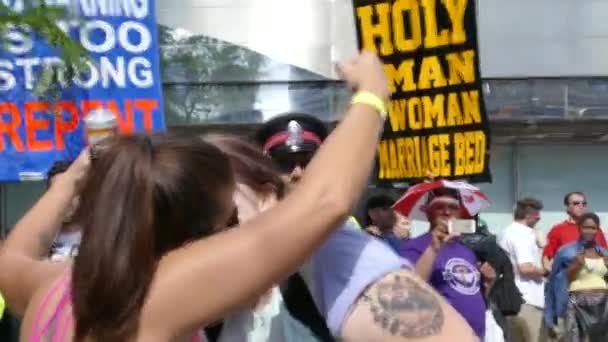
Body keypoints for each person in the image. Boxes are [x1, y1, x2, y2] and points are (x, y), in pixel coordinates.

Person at [0, 52, 392, 341]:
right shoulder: (155, 301)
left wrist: (73, 178)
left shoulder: (50, 291)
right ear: (195, 239)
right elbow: (326, 202)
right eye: (230, 222)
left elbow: (14, 254)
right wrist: (372, 94)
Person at [208, 135, 480, 342]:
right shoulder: (199, 293)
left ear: (265, 196)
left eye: (310, 163)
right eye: (285, 164)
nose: (297, 174)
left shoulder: (332, 251)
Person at [399, 187, 496, 340]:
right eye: (439, 207)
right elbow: (407, 290)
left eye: (453, 207)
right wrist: (433, 248)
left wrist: (488, 284)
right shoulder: (415, 246)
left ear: (460, 214)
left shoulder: (466, 252)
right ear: (427, 212)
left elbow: (469, 293)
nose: (447, 212)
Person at [546, 213, 608, 342]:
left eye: (593, 228)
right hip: (576, 304)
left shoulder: (604, 253)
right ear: (579, 228)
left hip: (602, 306)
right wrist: (550, 316)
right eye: (586, 227)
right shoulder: (565, 251)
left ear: (598, 230)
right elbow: (553, 282)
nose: (589, 231)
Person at [500, 198, 547, 342]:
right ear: (528, 215)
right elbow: (525, 268)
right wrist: (546, 271)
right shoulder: (522, 234)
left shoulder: (509, 231)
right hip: (526, 298)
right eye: (537, 214)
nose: (539, 217)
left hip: (516, 298)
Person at [543, 192, 607, 273]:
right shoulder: (558, 230)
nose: (581, 206)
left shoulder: (595, 230)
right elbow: (546, 257)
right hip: (568, 279)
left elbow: (605, 254)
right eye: (576, 203)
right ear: (567, 207)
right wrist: (552, 275)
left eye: (584, 204)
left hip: (594, 279)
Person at [45, 161, 82, 261]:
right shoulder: (38, 239)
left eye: (70, 192)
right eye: (56, 192)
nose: (64, 200)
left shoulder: (99, 237)